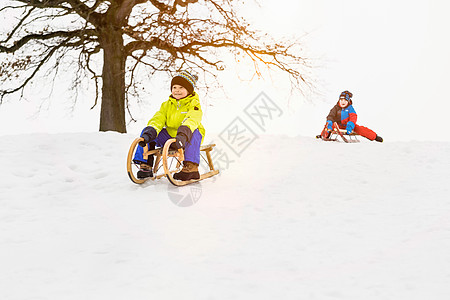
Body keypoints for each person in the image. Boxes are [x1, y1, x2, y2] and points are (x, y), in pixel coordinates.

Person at [133, 70, 205, 181]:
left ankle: (191, 168)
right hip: (170, 136)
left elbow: (192, 120)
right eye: (174, 87)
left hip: (187, 137)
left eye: (181, 88)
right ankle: (145, 165)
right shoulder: (166, 105)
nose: (177, 91)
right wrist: (151, 130)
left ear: (189, 90)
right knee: (147, 132)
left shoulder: (194, 104)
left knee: (195, 132)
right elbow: (159, 118)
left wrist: (182, 135)